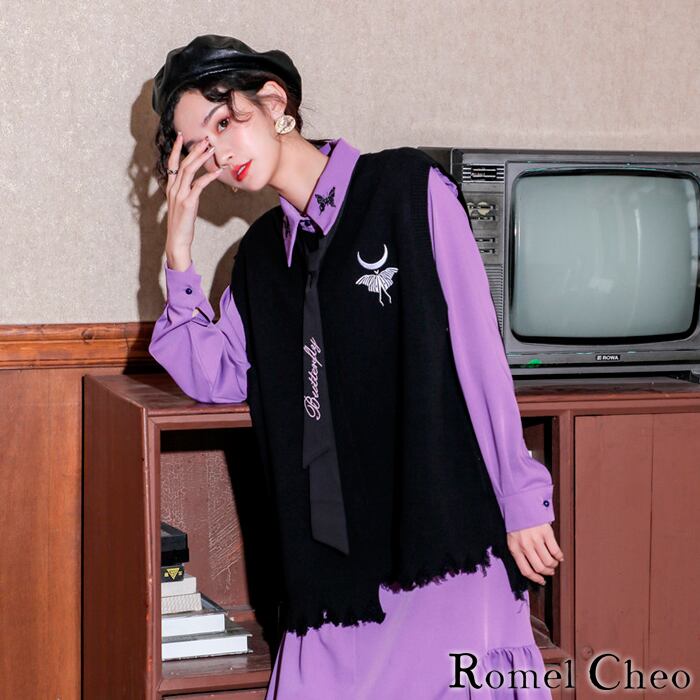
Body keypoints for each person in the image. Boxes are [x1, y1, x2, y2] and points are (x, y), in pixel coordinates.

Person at [149, 34, 564, 699]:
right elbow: (215, 375)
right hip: (332, 566)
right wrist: (177, 250)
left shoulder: (406, 190)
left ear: (275, 103)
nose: (220, 154)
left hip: (440, 538)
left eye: (225, 122)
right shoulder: (261, 260)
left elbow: (477, 352)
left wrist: (520, 496)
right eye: (200, 145)